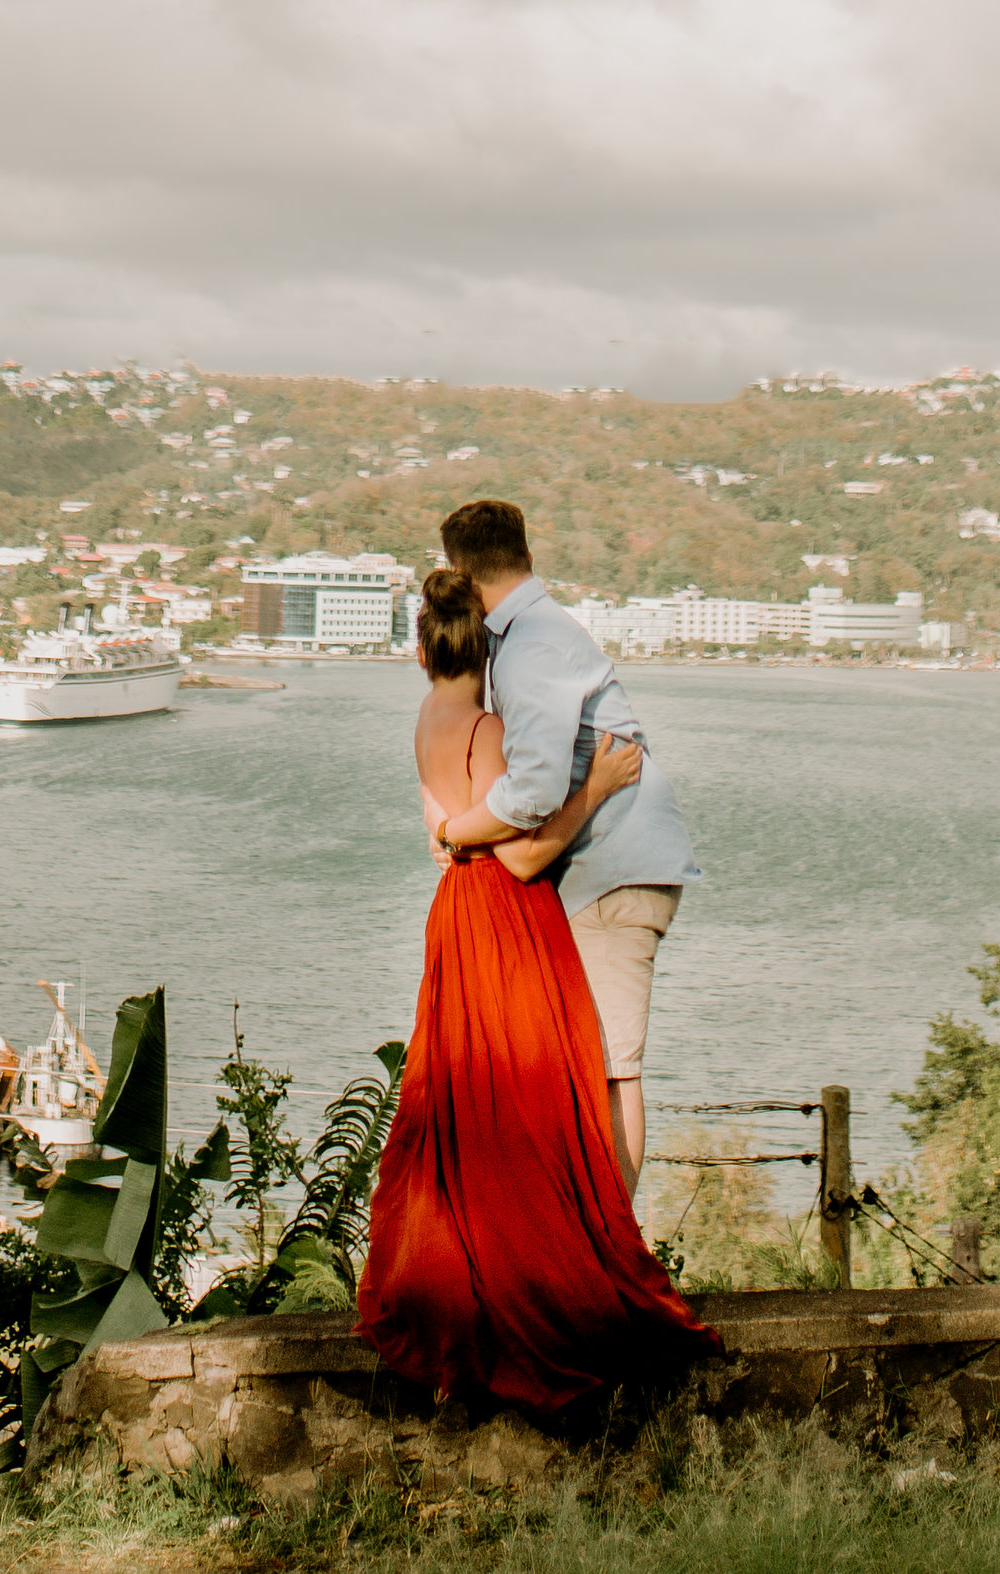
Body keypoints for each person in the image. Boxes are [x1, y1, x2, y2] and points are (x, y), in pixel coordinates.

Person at [356, 564, 716, 1417]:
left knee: (464, 1099)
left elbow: (444, 838)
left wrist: (457, 830)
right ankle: (559, 1276)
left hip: (454, 914)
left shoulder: (424, 724)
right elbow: (521, 853)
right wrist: (593, 788)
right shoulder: (487, 727)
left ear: (419, 652)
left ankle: (479, 1268)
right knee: (532, 1099)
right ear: (486, 645)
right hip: (504, 919)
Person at [423, 497, 696, 1195]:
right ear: (527, 558)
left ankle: (617, 1251)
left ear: (461, 572)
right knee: (595, 1064)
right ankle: (606, 1242)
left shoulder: (531, 648)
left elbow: (535, 791)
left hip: (614, 871)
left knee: (610, 1068)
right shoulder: (534, 637)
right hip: (611, 865)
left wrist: (458, 829)